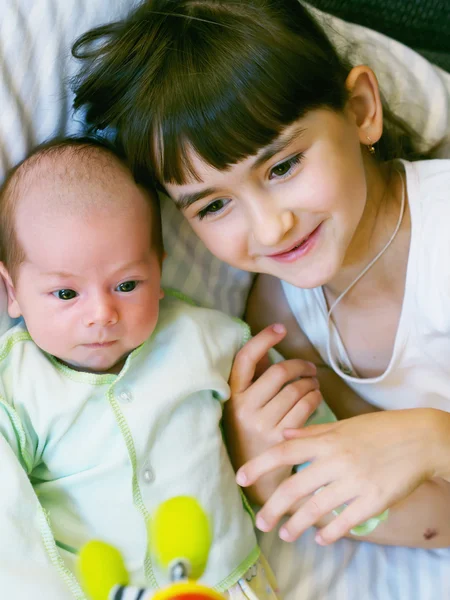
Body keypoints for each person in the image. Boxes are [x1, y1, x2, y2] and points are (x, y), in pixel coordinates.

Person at [71, 0, 450, 550]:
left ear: (363, 109)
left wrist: (436, 439)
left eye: (283, 166)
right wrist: (272, 472)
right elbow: (437, 521)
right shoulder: (284, 323)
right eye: (213, 207)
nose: (272, 230)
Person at [0, 135, 333, 599]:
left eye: (128, 284)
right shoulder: (18, 387)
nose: (101, 314)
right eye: (66, 294)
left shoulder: (205, 339)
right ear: (12, 291)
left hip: (227, 584)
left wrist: (347, 490)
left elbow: (297, 414)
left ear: (159, 271)